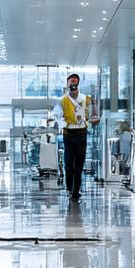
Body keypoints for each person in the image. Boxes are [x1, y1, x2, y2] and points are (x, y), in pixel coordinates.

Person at [49, 72, 98, 201]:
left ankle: (76, 191)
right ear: (67, 84)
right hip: (68, 134)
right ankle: (69, 188)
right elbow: (56, 114)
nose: (73, 84)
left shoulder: (85, 98)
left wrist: (94, 116)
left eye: (75, 82)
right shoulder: (63, 100)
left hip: (82, 133)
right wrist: (62, 122)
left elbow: (94, 111)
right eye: (71, 82)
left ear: (78, 83)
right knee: (68, 163)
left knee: (79, 165)